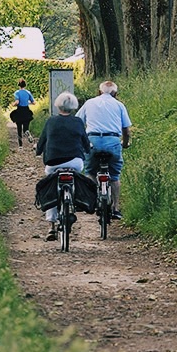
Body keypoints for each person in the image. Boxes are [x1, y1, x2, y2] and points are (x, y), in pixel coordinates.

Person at [34, 91, 89, 240]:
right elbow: (85, 143)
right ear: (73, 107)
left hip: (53, 162)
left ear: (58, 105)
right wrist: (87, 149)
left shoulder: (51, 121)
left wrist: (38, 151)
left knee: (52, 187)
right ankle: (74, 200)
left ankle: (51, 226)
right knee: (76, 177)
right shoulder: (78, 122)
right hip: (75, 162)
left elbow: (42, 142)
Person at [77, 80, 131, 220]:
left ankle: (93, 200)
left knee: (90, 171)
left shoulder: (89, 103)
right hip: (113, 142)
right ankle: (116, 208)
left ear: (99, 91)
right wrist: (124, 144)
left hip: (92, 142)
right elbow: (126, 130)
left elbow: (78, 123)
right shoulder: (119, 105)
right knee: (114, 176)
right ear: (115, 93)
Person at [9, 78, 35, 146]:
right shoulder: (28, 92)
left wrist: (13, 104)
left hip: (19, 111)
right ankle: (27, 132)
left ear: (19, 85)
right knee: (26, 128)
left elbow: (17, 102)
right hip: (26, 111)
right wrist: (27, 102)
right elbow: (33, 102)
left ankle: (20, 146)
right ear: (25, 85)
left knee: (19, 128)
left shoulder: (17, 93)